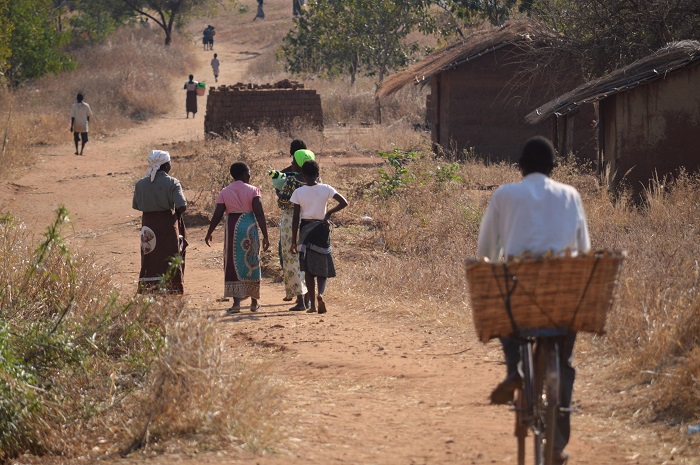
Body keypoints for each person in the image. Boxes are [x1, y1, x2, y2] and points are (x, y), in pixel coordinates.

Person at [476, 136, 590, 465]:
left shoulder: (505, 194)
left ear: (520, 167)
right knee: (564, 368)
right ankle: (557, 444)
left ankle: (516, 369)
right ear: (554, 168)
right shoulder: (571, 195)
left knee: (508, 315)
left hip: (520, 293)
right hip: (561, 298)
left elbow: (485, 252)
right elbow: (583, 250)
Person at [205, 162, 270, 314]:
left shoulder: (225, 191)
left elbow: (218, 213)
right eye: (249, 172)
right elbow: (259, 213)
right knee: (252, 260)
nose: (250, 175)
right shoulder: (254, 190)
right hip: (249, 226)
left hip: (233, 228)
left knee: (233, 262)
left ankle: (236, 304)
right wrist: (266, 235)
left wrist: (209, 232)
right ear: (243, 174)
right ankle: (254, 302)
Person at [290, 160, 348, 314]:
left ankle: (313, 306)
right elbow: (344, 202)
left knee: (308, 269)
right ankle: (320, 295)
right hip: (322, 229)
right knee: (322, 266)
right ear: (318, 174)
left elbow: (296, 218)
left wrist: (293, 241)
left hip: (305, 230)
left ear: (303, 175)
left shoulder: (298, 192)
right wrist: (328, 213)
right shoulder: (325, 189)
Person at [132, 150, 188, 294]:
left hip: (148, 225)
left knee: (150, 257)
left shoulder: (141, 184)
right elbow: (182, 206)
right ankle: (171, 287)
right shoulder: (172, 182)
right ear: (165, 165)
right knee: (170, 255)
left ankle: (150, 288)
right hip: (167, 224)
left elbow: (137, 205)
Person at [267, 143, 313, 311]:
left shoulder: (292, 181)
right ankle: (308, 298)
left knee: (292, 260)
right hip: (310, 222)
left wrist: (278, 191)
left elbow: (283, 203)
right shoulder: (316, 180)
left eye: (294, 161)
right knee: (307, 261)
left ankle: (300, 300)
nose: (291, 163)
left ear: (298, 163)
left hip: (291, 223)